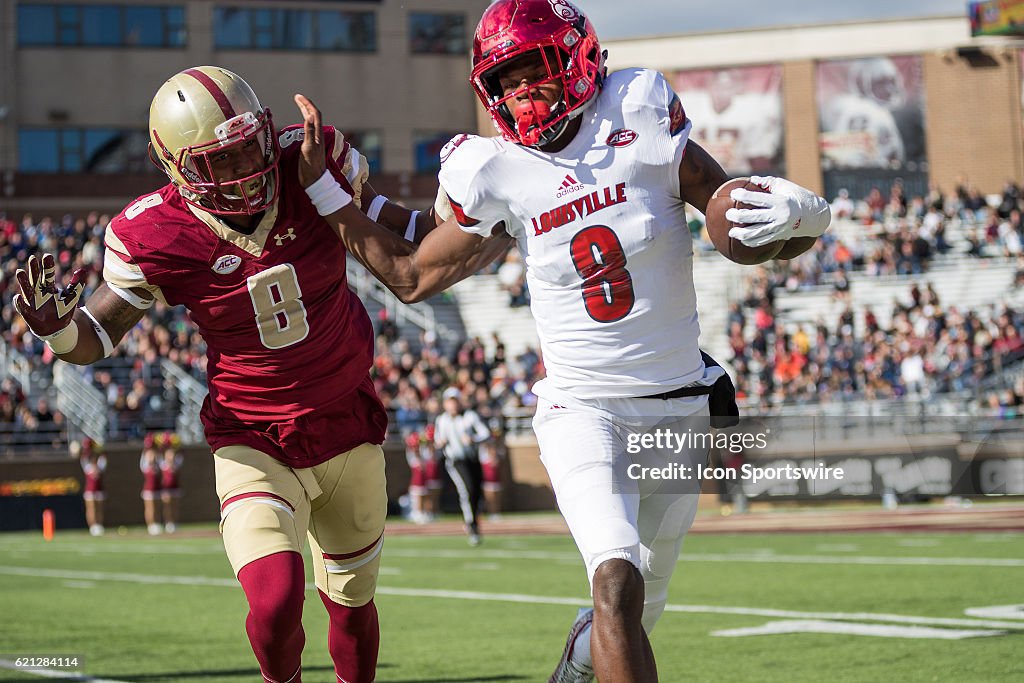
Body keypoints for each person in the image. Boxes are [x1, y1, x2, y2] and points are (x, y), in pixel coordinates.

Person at [288, 1, 830, 679]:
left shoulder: (638, 108)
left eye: (532, 71)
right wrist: (329, 192)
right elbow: (412, 268)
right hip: (583, 407)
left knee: (642, 601)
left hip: (679, 403)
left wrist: (809, 215)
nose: (520, 93)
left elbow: (736, 222)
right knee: (615, 581)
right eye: (504, 80)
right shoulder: (493, 169)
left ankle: (577, 665)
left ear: (576, 58)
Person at [10, 65, 452, 683]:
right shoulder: (157, 233)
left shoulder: (308, 163)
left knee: (352, 607)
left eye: (250, 144)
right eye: (221, 159)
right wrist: (56, 330)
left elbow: (405, 230)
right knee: (274, 603)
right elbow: (97, 336)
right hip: (251, 436)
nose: (245, 166)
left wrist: (473, 210)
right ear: (179, 168)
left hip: (346, 422)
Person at [433, 387, 491, 545]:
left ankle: (473, 523)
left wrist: (473, 439)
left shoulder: (469, 416)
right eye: (449, 402)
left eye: (455, 401)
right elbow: (437, 441)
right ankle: (472, 526)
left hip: (472, 459)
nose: (452, 405)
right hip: (455, 461)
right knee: (467, 490)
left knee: (477, 493)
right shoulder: (442, 420)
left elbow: (485, 433)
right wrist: (440, 443)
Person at [77, 437, 106, 536]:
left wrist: (97, 448)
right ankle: (93, 526)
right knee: (91, 508)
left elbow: (103, 457)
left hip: (99, 489)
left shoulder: (100, 463)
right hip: (89, 489)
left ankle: (99, 525)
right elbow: (83, 456)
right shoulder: (86, 463)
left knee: (99, 508)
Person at [159, 431, 184, 533]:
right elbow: (159, 452)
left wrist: (176, 443)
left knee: (175, 506)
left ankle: (175, 522)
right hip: (166, 488)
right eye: (169, 454)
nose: (171, 456)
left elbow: (181, 453)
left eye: (172, 454)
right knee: (167, 506)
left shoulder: (177, 463)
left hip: (176, 487)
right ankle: (168, 522)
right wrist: (164, 442)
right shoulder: (163, 463)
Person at [140, 433, 163, 535]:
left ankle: (157, 523)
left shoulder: (158, 457)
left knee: (157, 506)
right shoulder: (145, 458)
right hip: (149, 487)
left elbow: (162, 465)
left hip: (157, 486)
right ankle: (150, 525)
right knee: (150, 507)